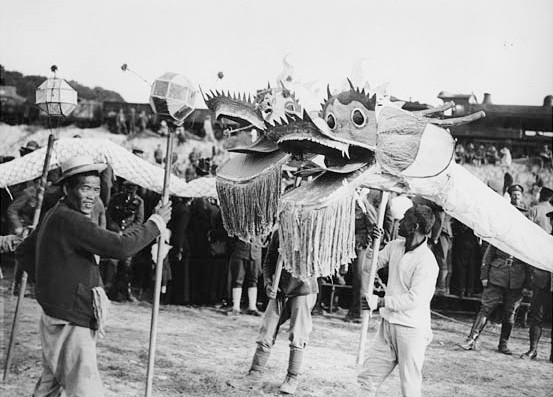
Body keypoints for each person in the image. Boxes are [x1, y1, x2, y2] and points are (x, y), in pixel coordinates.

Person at [15, 155, 171, 396]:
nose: (91, 196)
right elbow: (120, 247)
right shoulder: (71, 219)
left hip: (55, 312)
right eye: (85, 188)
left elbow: (25, 251)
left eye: (96, 189)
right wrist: (156, 223)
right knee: (84, 388)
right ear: (67, 188)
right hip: (71, 317)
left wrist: (50, 284)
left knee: (50, 383)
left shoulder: (55, 212)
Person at [358, 205, 438, 397]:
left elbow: (415, 299)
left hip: (411, 329)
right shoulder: (395, 246)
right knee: (368, 379)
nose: (400, 221)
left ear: (414, 226)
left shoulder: (427, 262)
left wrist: (380, 303)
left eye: (405, 218)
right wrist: (373, 246)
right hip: (387, 326)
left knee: (409, 387)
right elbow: (369, 268)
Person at [247, 229, 318, 395]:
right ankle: (255, 372)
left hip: (303, 289)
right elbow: (269, 261)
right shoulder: (280, 232)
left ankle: (292, 377)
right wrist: (268, 284)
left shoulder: (312, 230)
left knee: (298, 335)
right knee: (267, 329)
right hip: (280, 287)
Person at [459, 206, 532, 354]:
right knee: (486, 308)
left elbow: (530, 264)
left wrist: (527, 284)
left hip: (517, 281)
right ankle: (471, 339)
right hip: (496, 276)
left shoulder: (526, 240)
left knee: (510, 313)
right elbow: (488, 256)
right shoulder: (500, 235)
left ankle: (503, 345)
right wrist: (484, 276)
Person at [520, 194, 553, 361]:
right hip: (542, 284)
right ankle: (533, 350)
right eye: (552, 220)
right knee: (536, 317)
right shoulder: (545, 240)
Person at [105, 180, 144, 302]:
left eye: (132, 189)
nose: (129, 192)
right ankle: (108, 289)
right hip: (115, 234)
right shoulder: (116, 199)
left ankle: (125, 291)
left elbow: (138, 221)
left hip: (128, 236)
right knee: (112, 263)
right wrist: (116, 229)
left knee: (127, 264)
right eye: (127, 189)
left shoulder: (139, 202)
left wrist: (125, 232)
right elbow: (109, 215)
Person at [228, 238, 262, 316]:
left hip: (256, 251)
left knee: (254, 280)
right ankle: (236, 307)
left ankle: (252, 307)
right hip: (239, 251)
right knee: (237, 280)